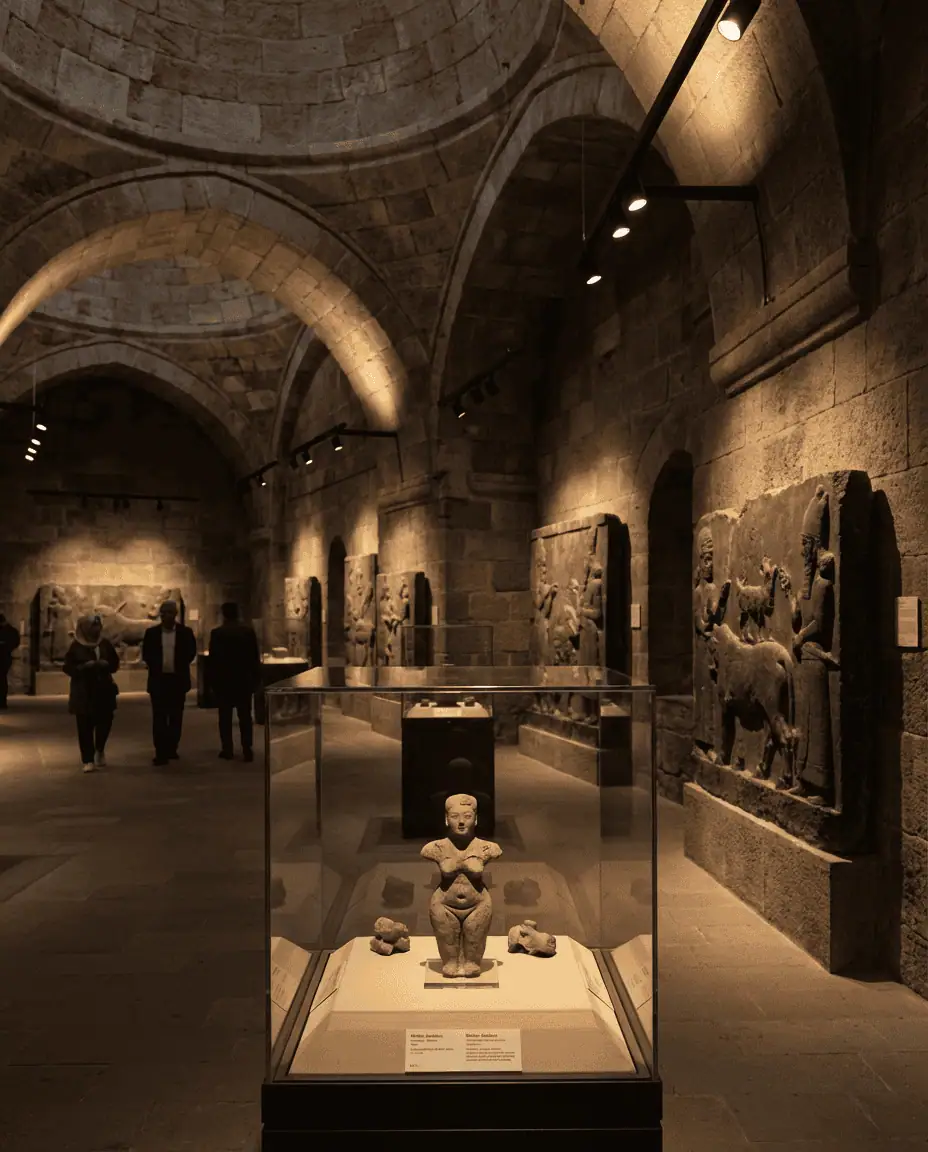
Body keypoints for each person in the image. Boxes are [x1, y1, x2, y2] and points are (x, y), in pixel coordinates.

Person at [142, 600, 197, 766]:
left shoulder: (185, 632)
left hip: (177, 680)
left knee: (175, 716)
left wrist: (179, 665)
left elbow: (190, 652)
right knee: (159, 717)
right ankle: (160, 751)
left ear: (175, 614)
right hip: (159, 680)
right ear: (161, 615)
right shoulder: (151, 633)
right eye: (164, 613)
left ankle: (172, 747)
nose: (167, 616)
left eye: (170, 613)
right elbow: (147, 654)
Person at [62, 615, 119, 773]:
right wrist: (83, 667)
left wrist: (106, 665)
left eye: (98, 626)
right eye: (94, 626)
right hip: (84, 691)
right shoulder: (76, 647)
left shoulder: (105, 644)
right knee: (85, 726)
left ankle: (99, 748)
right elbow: (68, 667)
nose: (97, 629)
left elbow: (115, 663)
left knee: (105, 722)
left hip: (103, 689)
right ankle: (87, 759)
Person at [208, 602, 260, 762]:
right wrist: (256, 679)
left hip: (224, 680)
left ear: (223, 614)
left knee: (225, 717)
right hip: (243, 679)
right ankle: (247, 748)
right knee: (245, 716)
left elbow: (213, 660)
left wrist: (212, 681)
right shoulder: (247, 632)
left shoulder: (217, 633)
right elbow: (254, 658)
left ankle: (227, 748)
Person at [0, 612, 21, 709]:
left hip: (4, 657)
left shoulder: (10, 631)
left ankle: (2, 701)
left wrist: (5, 646)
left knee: (2, 679)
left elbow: (15, 642)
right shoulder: (11, 630)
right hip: (5, 656)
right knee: (2, 679)